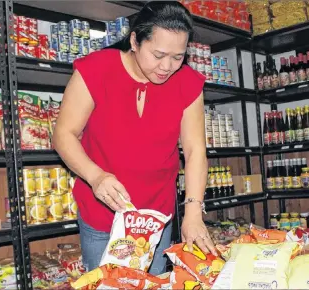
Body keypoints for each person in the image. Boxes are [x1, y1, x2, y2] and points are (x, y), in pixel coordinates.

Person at [52, 1, 217, 275]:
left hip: (156, 217)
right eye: (158, 54)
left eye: (178, 57)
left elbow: (195, 150)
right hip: (102, 214)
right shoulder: (97, 69)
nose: (167, 66)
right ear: (135, 41)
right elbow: (63, 134)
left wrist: (193, 211)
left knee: (153, 280)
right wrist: (95, 176)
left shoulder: (187, 82)